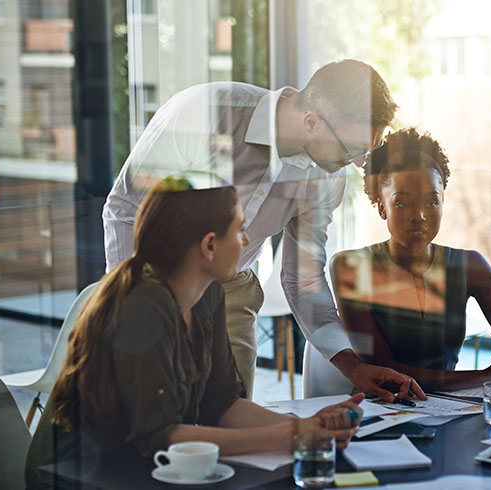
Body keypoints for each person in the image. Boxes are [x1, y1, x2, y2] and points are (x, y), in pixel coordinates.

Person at [102, 60, 425, 402]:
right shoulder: (208, 113)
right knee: (151, 409)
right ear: (312, 121)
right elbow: (125, 209)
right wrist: (134, 301)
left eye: (366, 151)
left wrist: (352, 367)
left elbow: (304, 278)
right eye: (351, 150)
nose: (357, 164)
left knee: (232, 415)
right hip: (155, 280)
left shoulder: (327, 176)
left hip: (232, 290)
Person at [26, 178, 364, 489]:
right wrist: (292, 435)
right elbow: (162, 438)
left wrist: (308, 425)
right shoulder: (144, 305)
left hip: (145, 471)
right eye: (240, 230)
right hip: (79, 475)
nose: (247, 241)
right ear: (209, 245)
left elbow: (222, 403)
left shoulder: (209, 295)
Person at [330, 129, 491, 391]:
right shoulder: (350, 267)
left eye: (431, 202)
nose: (419, 215)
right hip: (380, 413)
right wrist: (484, 377)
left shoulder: (470, 266)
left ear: (443, 202)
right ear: (381, 205)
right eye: (403, 204)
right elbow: (386, 372)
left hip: (446, 412)